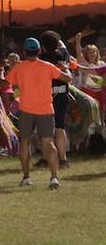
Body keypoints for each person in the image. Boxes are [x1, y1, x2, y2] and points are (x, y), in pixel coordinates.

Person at [7, 37, 70, 189]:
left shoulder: (19, 67)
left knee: (25, 142)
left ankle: (26, 177)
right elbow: (67, 78)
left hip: (26, 109)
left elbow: (8, 82)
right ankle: (54, 178)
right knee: (48, 143)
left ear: (24, 52)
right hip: (46, 110)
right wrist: (66, 68)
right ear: (39, 51)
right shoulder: (47, 66)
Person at [39, 31, 73, 170]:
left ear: (43, 46)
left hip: (47, 97)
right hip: (62, 95)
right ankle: (63, 159)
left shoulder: (42, 58)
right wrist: (58, 40)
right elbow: (63, 46)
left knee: (45, 129)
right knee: (60, 127)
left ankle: (46, 158)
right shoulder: (63, 55)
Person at [73, 28, 106, 127]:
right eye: (89, 52)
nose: (92, 54)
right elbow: (79, 53)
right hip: (86, 94)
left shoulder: (102, 64)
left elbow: (103, 82)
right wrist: (78, 40)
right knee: (87, 119)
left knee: (99, 119)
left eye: (94, 52)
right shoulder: (84, 63)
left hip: (99, 94)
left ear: (97, 53)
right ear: (86, 54)